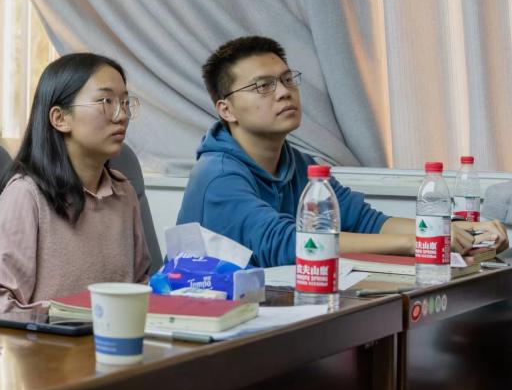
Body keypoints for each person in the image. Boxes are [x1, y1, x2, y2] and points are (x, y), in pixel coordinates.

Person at [176, 35, 507, 267]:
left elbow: (364, 221)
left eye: (288, 79)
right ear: (226, 110)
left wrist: (452, 231)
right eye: (263, 86)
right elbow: (286, 243)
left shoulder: (298, 164)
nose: (284, 92)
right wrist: (418, 242)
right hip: (211, 323)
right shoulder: (217, 174)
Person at [0, 53, 151, 319]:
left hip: (112, 341)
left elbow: (140, 285)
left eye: (125, 102)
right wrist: (67, 318)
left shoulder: (124, 194)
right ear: (60, 118)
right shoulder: (27, 194)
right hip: (48, 344)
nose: (121, 115)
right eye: (106, 101)